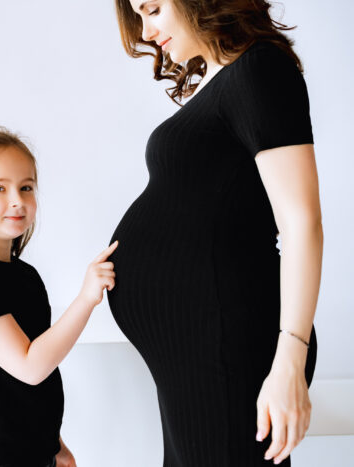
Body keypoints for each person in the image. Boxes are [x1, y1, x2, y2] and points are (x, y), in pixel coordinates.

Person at [108, 0, 322, 465]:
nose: (146, 31)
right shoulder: (222, 80)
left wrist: (291, 359)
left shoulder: (259, 69)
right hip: (197, 353)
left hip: (228, 349)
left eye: (153, 9)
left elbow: (301, 222)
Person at [0, 126, 118, 467]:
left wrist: (55, 445)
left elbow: (34, 377)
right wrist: (86, 298)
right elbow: (30, 366)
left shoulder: (26, 277)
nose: (17, 199)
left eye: (26, 187)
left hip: (32, 451)